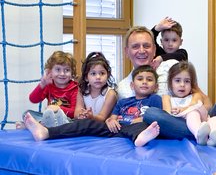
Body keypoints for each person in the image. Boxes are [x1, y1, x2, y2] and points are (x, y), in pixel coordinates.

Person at [121, 26, 216, 151]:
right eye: (135, 46)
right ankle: (207, 133)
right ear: (127, 51)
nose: (141, 51)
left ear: (154, 49)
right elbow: (132, 120)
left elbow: (206, 103)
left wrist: (194, 110)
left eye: (146, 46)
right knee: (152, 114)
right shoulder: (124, 87)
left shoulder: (172, 66)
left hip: (198, 114)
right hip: (171, 124)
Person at [24, 65, 162, 147]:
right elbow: (111, 118)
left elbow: (154, 118)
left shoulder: (154, 98)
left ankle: (139, 139)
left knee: (141, 126)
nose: (144, 82)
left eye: (149, 80)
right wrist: (111, 120)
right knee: (86, 124)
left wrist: (136, 121)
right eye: (140, 79)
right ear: (132, 85)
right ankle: (46, 132)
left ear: (155, 86)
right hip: (116, 130)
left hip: (135, 128)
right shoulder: (123, 101)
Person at [162, 61, 216, 146]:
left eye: (187, 81)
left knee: (215, 118)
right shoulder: (167, 97)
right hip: (182, 124)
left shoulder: (195, 95)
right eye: (177, 81)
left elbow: (195, 105)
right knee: (192, 113)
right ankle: (199, 135)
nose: (182, 84)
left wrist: (183, 109)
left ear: (192, 84)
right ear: (170, 83)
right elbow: (167, 115)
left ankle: (215, 137)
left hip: (204, 121)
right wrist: (178, 112)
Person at [22, 51, 78, 128]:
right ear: (50, 71)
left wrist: (58, 108)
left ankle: (37, 126)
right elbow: (33, 99)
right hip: (50, 117)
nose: (62, 73)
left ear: (72, 72)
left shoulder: (75, 89)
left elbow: (74, 113)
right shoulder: (49, 85)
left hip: (67, 120)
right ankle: (42, 125)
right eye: (58, 69)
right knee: (27, 113)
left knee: (72, 121)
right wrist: (42, 84)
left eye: (67, 70)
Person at [74, 52, 118, 122]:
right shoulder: (82, 91)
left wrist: (91, 116)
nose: (98, 77)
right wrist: (82, 115)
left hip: (103, 127)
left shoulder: (110, 94)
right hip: (86, 124)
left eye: (102, 73)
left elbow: (102, 117)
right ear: (86, 77)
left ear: (108, 75)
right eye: (93, 73)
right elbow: (77, 112)